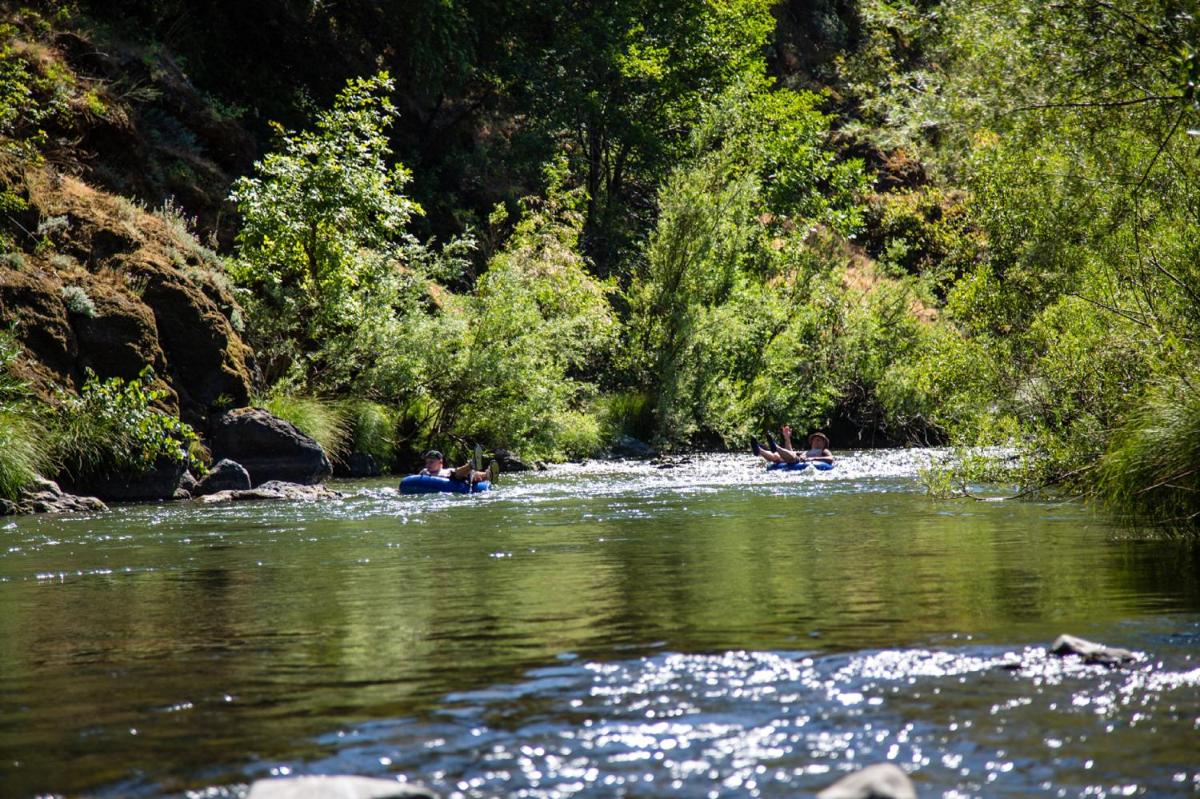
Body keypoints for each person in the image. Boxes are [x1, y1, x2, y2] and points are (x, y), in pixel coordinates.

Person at [751, 426, 834, 465]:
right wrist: (787, 438)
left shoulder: (824, 451)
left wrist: (811, 458)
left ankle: (775, 447)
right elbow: (790, 452)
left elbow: (830, 459)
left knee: (793, 457)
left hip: (800, 461)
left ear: (824, 444)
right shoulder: (806, 452)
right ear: (811, 443)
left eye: (819, 440)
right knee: (776, 456)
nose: (816, 441)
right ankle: (759, 450)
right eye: (815, 440)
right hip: (795, 460)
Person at [419, 449, 499, 484]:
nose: (428, 465)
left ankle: (488, 475)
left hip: (456, 479)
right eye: (427, 462)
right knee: (457, 474)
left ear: (440, 462)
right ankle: (472, 465)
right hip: (453, 479)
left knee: (466, 474)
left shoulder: (448, 471)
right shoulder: (424, 472)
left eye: (431, 462)